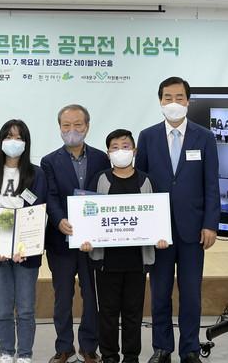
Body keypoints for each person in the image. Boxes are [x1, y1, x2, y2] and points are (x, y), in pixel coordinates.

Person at [135, 76, 219, 363]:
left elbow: (211, 184)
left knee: (191, 294)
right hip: (158, 230)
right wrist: (143, 226)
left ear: (188, 101)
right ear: (160, 101)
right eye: (167, 97)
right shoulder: (147, 136)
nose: (173, 103)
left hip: (193, 230)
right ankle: (162, 348)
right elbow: (140, 183)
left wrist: (210, 224)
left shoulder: (204, 137)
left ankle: (190, 348)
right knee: (159, 293)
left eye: (179, 97)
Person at [79, 129, 168, 363]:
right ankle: (109, 355)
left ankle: (131, 356)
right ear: (108, 153)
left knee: (133, 312)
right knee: (107, 312)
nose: (120, 151)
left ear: (134, 151)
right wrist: (84, 238)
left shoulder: (146, 181)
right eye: (115, 147)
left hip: (137, 261)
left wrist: (160, 237)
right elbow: (87, 213)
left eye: (125, 146)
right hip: (106, 261)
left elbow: (157, 216)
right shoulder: (100, 179)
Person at [40, 104, 110, 363]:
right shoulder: (49, 161)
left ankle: (89, 347)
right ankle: (64, 347)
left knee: (91, 296)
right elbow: (51, 196)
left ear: (87, 127)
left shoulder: (102, 158)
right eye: (66, 125)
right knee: (62, 297)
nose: (72, 130)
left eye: (78, 124)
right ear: (59, 128)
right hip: (60, 240)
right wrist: (59, 220)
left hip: (92, 241)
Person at [0, 119, 47, 363]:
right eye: (9, 137)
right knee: (3, 308)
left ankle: (25, 354)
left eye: (19, 138)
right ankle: (6, 351)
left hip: (27, 252)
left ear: (26, 143)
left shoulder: (36, 174)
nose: (13, 142)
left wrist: (24, 246)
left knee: (26, 308)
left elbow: (38, 211)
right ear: (1, 142)